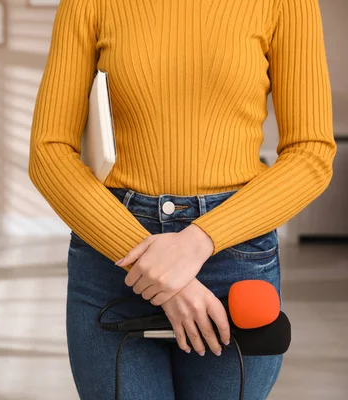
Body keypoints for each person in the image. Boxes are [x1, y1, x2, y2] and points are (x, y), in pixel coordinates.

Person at [27, 0, 336, 399]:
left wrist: (198, 241)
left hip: (234, 260)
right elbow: (48, 151)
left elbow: (311, 152)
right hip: (114, 257)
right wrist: (157, 269)